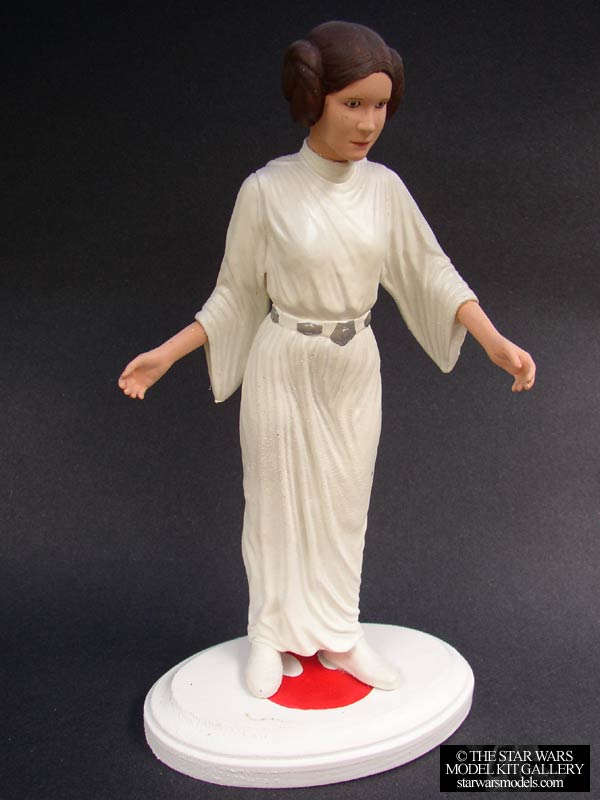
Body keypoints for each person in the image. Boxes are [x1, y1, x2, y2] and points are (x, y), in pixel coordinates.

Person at [118, 22, 535, 699]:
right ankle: (268, 633)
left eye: (380, 105)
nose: (369, 122)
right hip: (284, 364)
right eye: (353, 103)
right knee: (275, 504)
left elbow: (430, 271)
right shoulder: (266, 190)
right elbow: (234, 294)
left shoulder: (385, 190)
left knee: (345, 506)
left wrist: (492, 340)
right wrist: (166, 355)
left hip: (354, 366)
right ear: (313, 98)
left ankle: (340, 631)